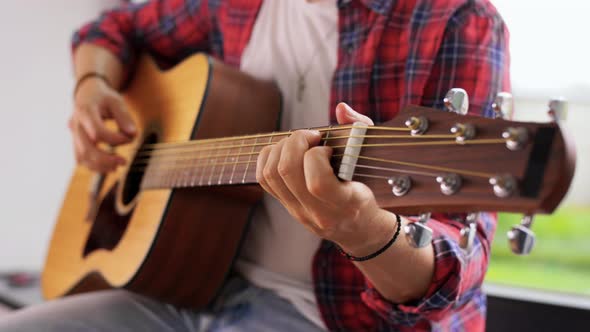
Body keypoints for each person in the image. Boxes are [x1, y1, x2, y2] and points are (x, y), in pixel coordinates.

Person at [0, 0, 509, 331]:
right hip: (192, 287)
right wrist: (93, 88)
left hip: (333, 319)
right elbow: (112, 28)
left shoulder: (457, 19)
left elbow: (456, 265)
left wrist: (362, 231)